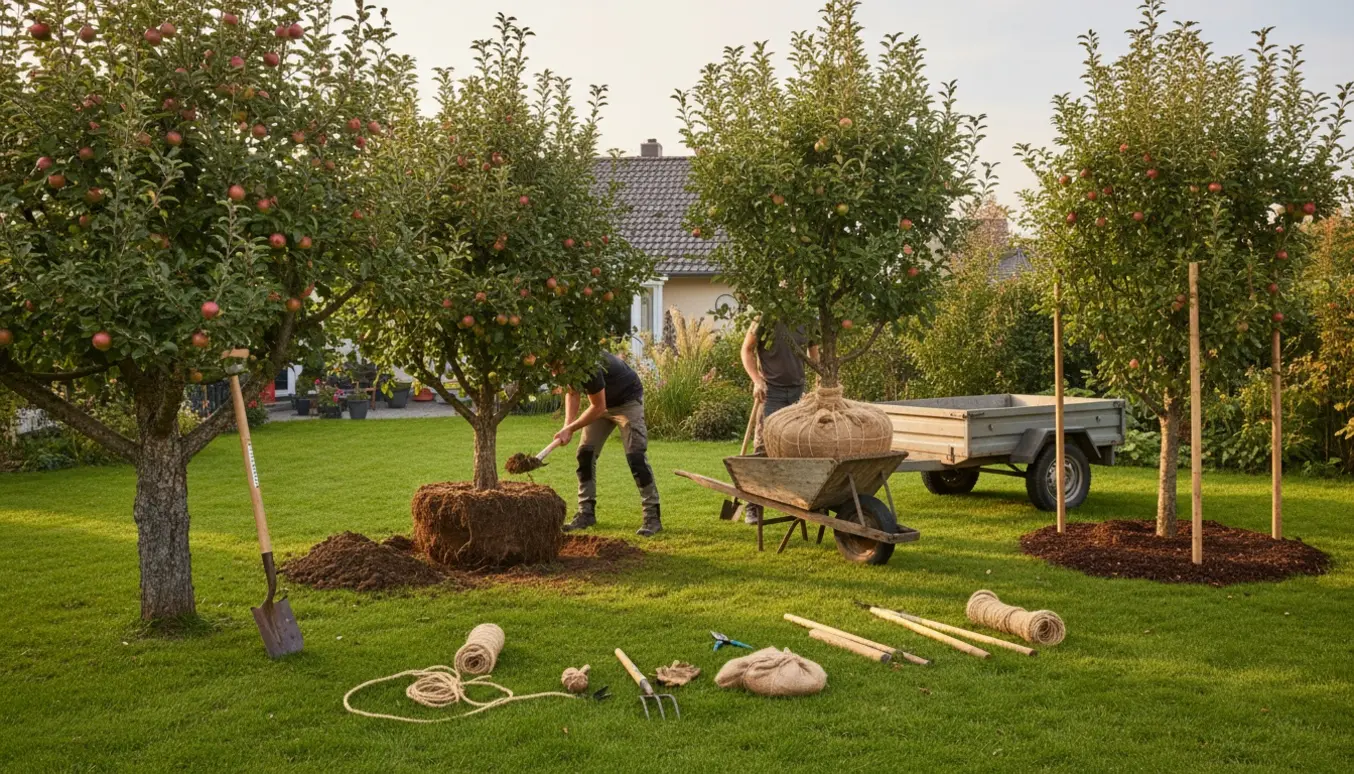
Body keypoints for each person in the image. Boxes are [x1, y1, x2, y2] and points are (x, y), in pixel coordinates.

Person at [554, 351, 662, 537]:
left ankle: (652, 517)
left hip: (627, 402)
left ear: (565, 361)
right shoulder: (569, 366)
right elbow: (572, 393)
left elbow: (598, 407)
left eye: (556, 369)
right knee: (585, 454)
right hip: (601, 405)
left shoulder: (589, 365)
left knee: (636, 457)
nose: (554, 374)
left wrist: (571, 429)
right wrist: (567, 425)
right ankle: (586, 513)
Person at [740, 318, 817, 525]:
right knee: (763, 449)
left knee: (796, 448)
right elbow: (746, 350)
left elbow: (814, 351)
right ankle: (753, 506)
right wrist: (757, 380)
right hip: (771, 392)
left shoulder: (806, 317)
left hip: (798, 392)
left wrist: (819, 377)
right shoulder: (765, 316)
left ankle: (794, 501)